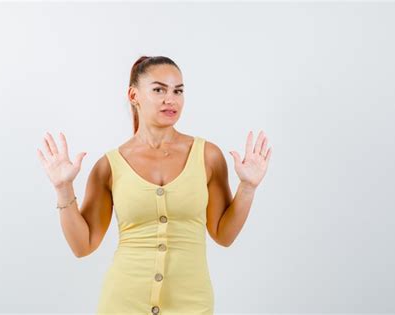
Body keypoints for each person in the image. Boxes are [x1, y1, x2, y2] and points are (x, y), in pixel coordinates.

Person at [37, 55, 272, 314]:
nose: (170, 99)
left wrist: (248, 187)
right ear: (134, 95)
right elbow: (83, 246)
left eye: (178, 91)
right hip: (123, 303)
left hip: (191, 304)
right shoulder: (109, 166)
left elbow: (223, 235)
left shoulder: (208, 156)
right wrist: (63, 188)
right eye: (159, 89)